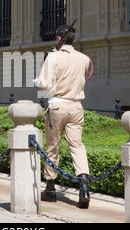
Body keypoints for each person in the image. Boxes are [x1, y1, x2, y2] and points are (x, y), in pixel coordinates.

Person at [34, 24, 91, 209]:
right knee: (77, 145)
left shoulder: (53, 57)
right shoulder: (84, 59)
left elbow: (44, 83)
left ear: (59, 38)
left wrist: (36, 79)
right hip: (76, 107)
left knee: (53, 147)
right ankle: (84, 187)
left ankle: (50, 189)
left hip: (57, 106)